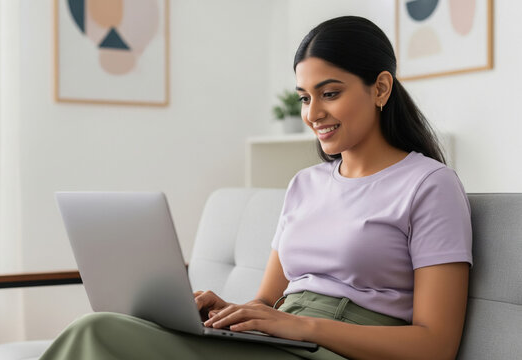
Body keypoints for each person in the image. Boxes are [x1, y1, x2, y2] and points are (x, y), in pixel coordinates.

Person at [40, 16, 472, 360]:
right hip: (284, 340)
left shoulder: (429, 185)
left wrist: (301, 327)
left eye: (330, 93)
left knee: (96, 333)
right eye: (304, 97)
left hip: (336, 348)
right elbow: (267, 299)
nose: (313, 112)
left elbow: (435, 345)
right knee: (108, 328)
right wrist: (225, 309)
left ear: (380, 88)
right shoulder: (305, 184)